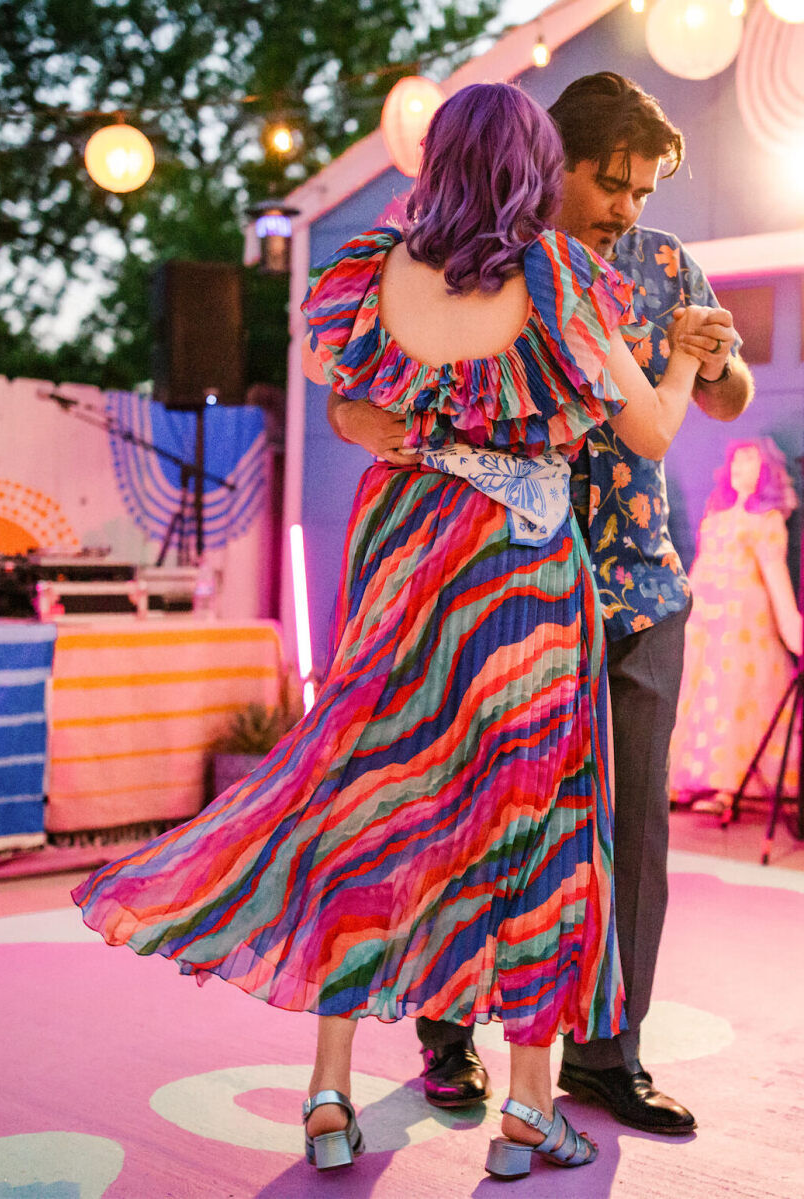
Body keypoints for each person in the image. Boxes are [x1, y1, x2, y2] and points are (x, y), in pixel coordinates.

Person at [74, 82, 708, 1178]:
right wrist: (688, 357)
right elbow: (645, 430)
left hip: (409, 554)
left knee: (371, 803)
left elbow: (355, 408)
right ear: (529, 166)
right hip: (521, 571)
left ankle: (328, 1094)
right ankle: (526, 1111)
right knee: (540, 820)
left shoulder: (371, 273)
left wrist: (426, 439)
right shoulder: (562, 277)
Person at [330, 72, 753, 1135]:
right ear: (547, 161)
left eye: (644, 189)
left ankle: (606, 1059)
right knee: (472, 809)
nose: (629, 206)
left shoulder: (660, 265)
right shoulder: (476, 265)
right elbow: (368, 390)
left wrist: (717, 355)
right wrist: (356, 418)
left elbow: (717, 400)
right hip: (510, 588)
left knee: (625, 835)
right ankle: (447, 1037)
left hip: (638, 584)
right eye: (611, 182)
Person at [670, 439, 801, 815]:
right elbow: (699, 566)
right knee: (698, 693)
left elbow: (775, 574)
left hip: (743, 620)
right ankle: (689, 780)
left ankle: (729, 786)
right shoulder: (716, 512)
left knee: (733, 696)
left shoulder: (767, 519)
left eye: (751, 461)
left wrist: (793, 627)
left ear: (766, 471)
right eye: (737, 461)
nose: (742, 467)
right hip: (706, 618)